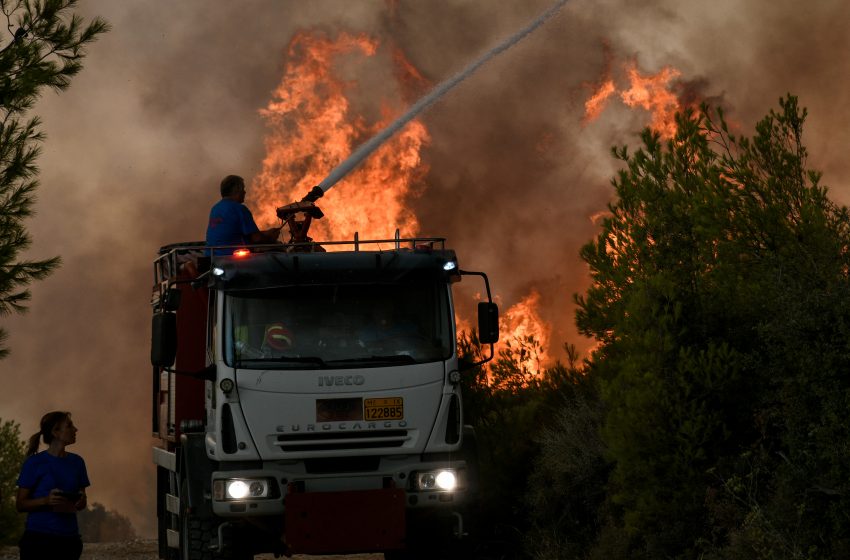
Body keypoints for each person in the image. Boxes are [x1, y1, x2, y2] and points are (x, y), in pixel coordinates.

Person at [15, 411, 90, 560]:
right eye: (69, 426)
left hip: (69, 540)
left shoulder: (77, 462)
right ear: (55, 432)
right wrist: (46, 501)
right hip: (38, 540)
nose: (75, 429)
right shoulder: (34, 463)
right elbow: (20, 504)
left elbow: (83, 502)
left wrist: (80, 500)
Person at [206, 174, 282, 255]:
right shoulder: (239, 209)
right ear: (237, 190)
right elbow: (256, 239)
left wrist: (267, 232)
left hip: (211, 256)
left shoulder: (215, 208)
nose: (244, 192)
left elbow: (237, 233)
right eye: (243, 188)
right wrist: (270, 238)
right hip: (229, 257)